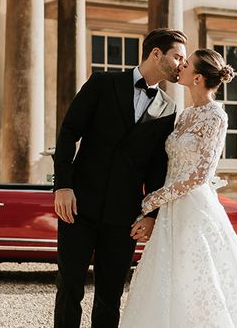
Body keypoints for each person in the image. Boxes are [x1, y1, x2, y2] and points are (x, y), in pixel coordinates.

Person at [119, 49, 237, 328]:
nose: (180, 66)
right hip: (172, 210)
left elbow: (200, 175)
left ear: (197, 78)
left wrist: (154, 199)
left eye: (186, 64)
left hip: (194, 208)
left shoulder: (216, 117)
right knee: (167, 280)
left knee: (198, 280)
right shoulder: (184, 115)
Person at [52, 28, 187, 328]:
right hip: (78, 205)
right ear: (156, 54)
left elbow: (157, 166)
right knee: (70, 286)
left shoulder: (169, 107)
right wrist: (63, 185)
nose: (182, 64)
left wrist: (151, 214)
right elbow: (69, 132)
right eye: (177, 56)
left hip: (124, 215)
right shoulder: (102, 83)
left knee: (110, 296)